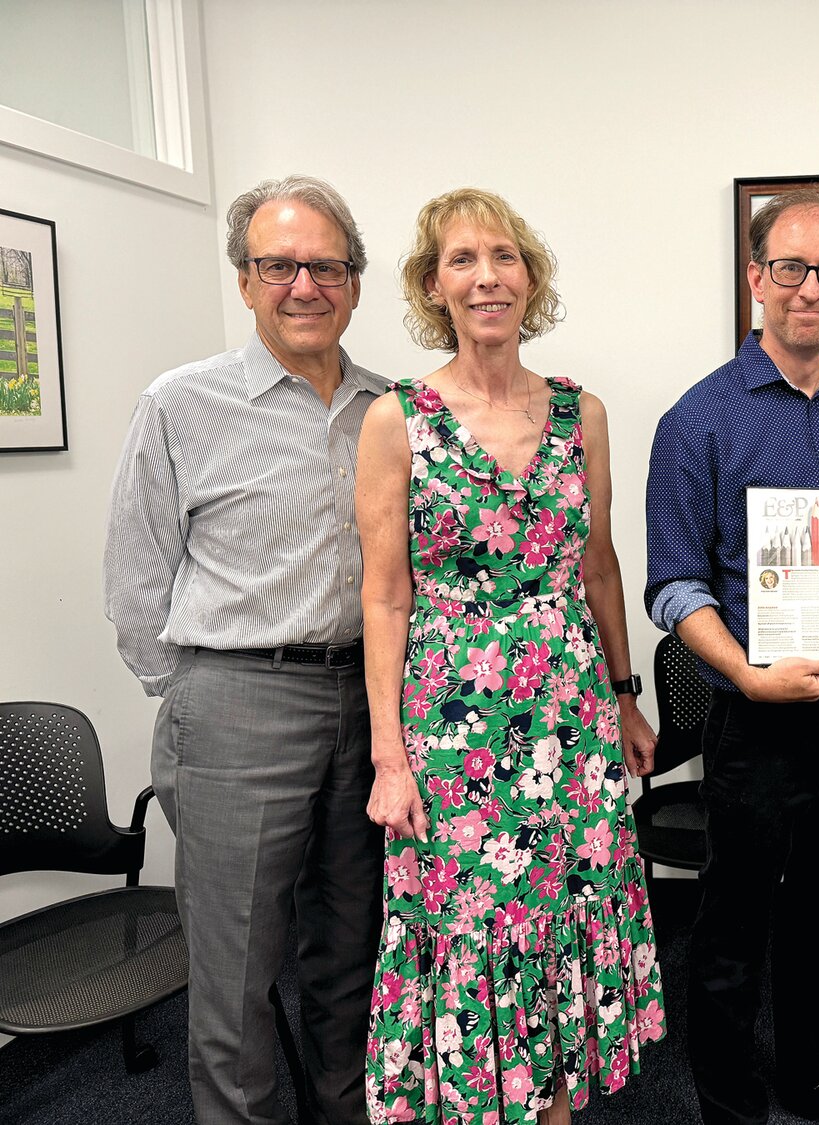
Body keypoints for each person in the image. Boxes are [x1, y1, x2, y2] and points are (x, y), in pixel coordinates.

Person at [358, 188, 665, 1125]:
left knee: (569, 909)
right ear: (433, 286)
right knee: (472, 923)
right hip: (457, 727)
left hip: (571, 716)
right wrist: (389, 755)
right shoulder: (396, 420)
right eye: (462, 260)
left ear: (530, 281)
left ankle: (555, 1100)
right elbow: (384, 593)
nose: (486, 276)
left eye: (503, 257)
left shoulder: (583, 413)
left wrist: (624, 696)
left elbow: (601, 565)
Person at [103, 174, 385, 1124]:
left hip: (374, 706)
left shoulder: (391, 410)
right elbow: (137, 575)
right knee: (236, 973)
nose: (303, 284)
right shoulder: (182, 403)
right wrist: (189, 695)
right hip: (237, 705)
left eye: (326, 266)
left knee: (353, 954)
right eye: (279, 264)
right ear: (244, 278)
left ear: (355, 280)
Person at [646, 188, 819, 1125]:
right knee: (732, 920)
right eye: (793, 268)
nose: (813, 287)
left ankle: (812, 1075)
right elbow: (674, 585)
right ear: (757, 277)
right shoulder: (700, 419)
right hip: (758, 712)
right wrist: (747, 675)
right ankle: (728, 1102)